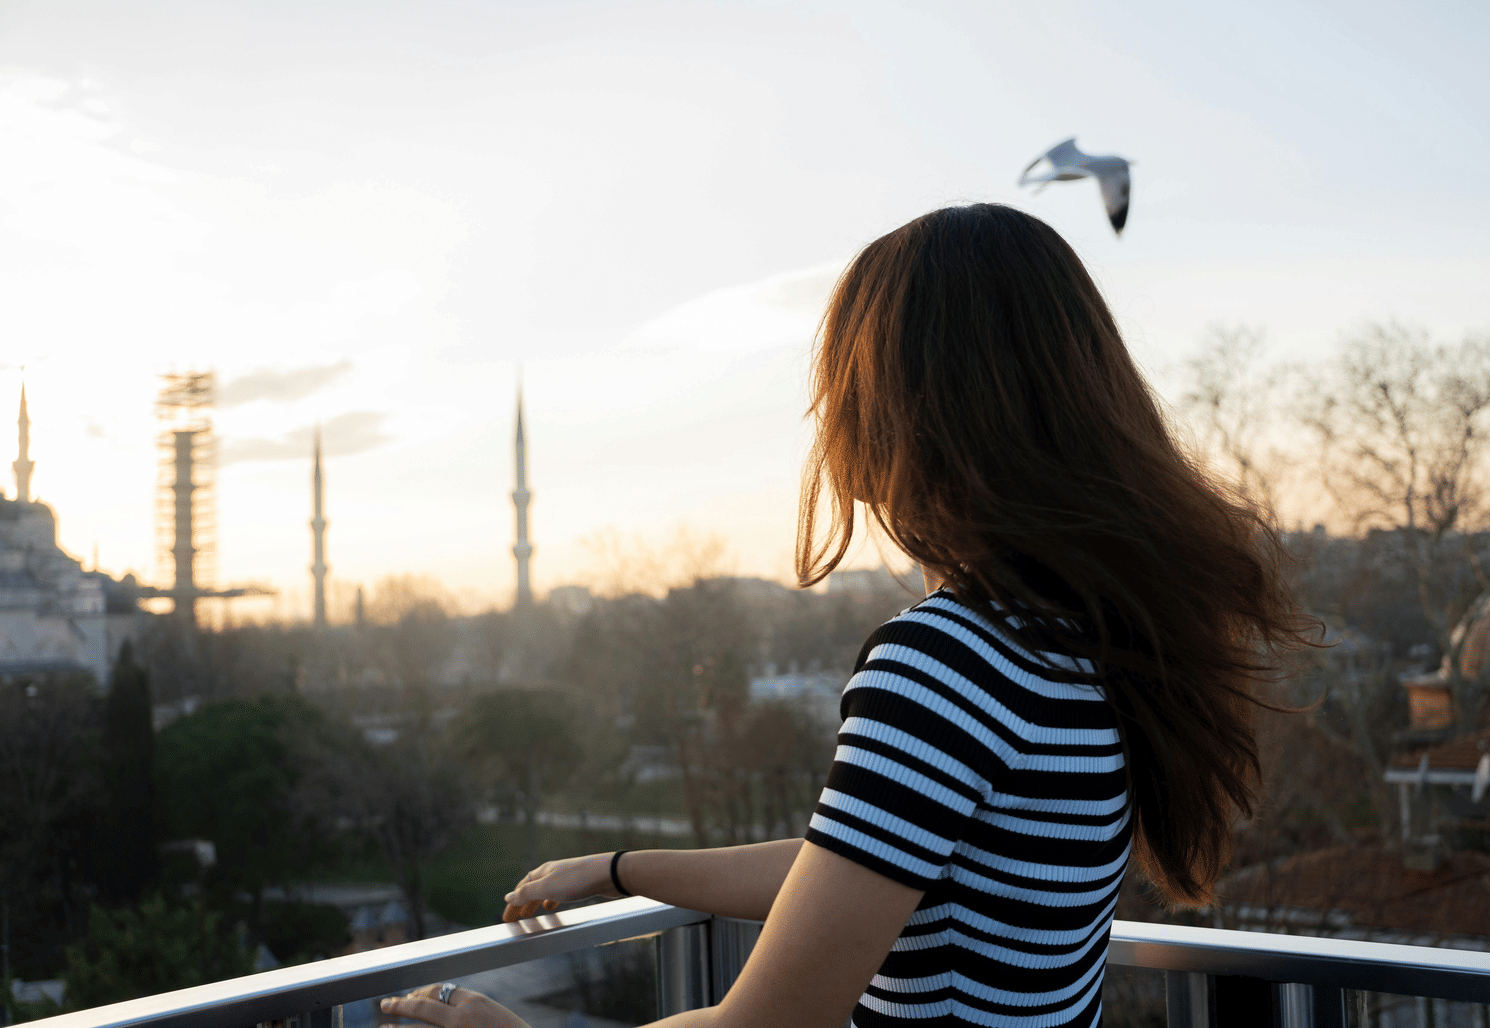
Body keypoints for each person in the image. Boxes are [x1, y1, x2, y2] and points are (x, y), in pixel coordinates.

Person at [380, 203, 1313, 1028]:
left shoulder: (948, 663)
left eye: (841, 388)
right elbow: (876, 860)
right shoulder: (1078, 642)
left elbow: (771, 1024)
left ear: (899, 414)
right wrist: (625, 868)